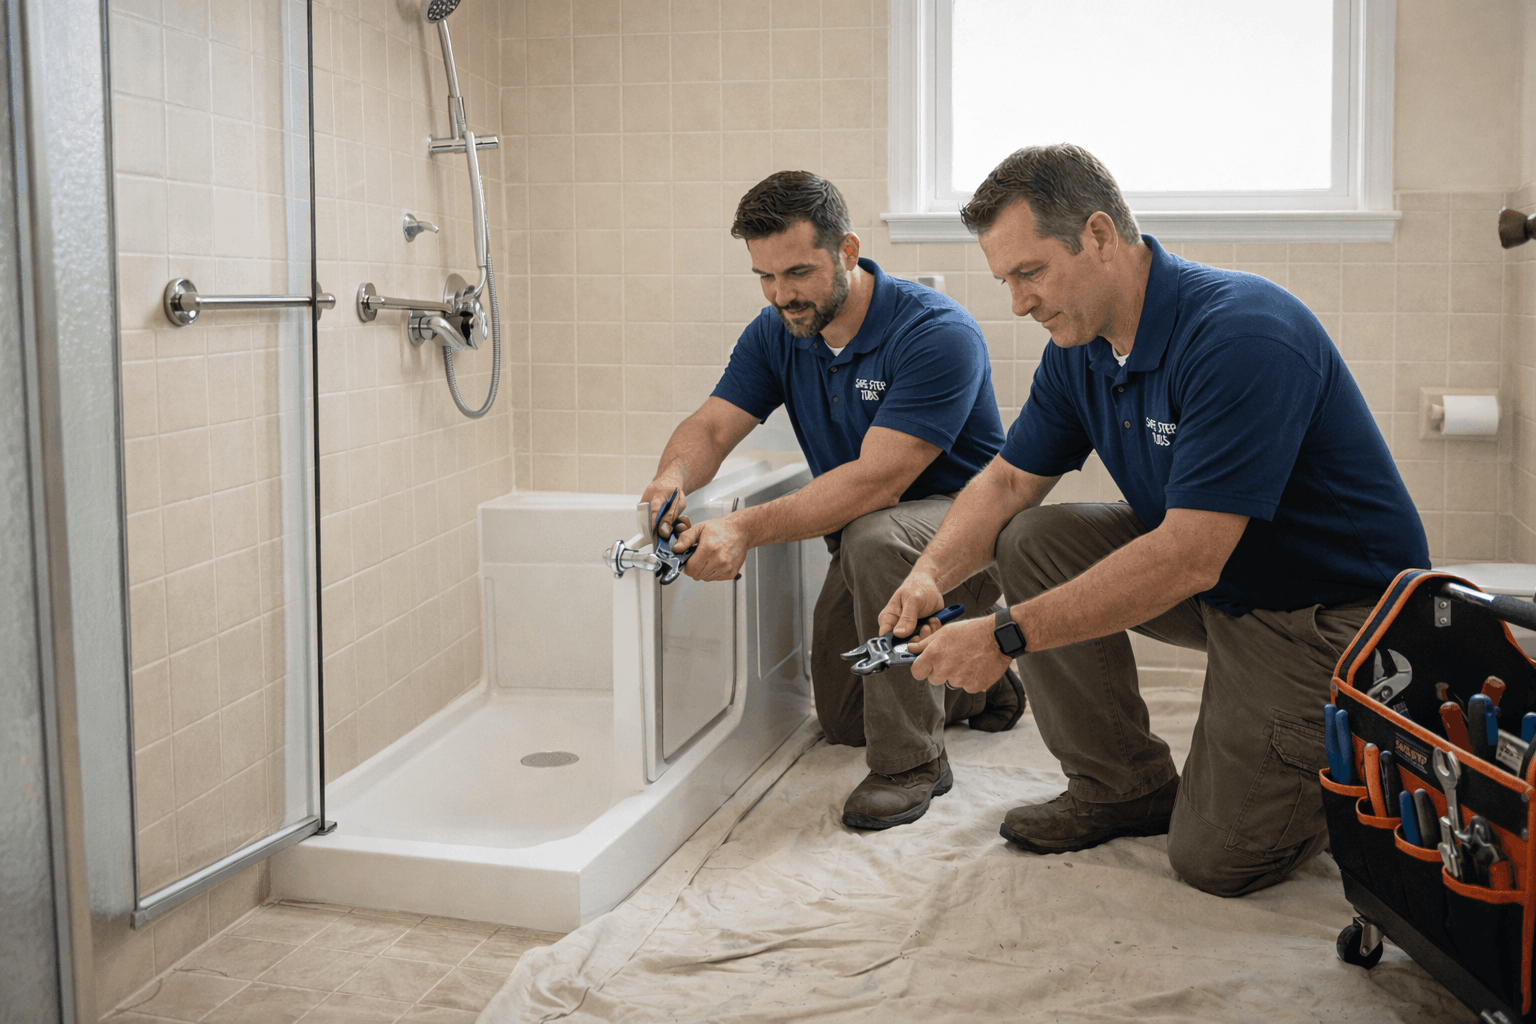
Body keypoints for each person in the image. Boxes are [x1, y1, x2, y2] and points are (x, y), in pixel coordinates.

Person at [879, 144, 1429, 896]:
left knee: (1217, 861)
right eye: (1006, 280)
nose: (1018, 303)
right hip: (1224, 584)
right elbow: (1009, 481)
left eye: (1030, 273)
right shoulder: (1082, 347)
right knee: (1033, 539)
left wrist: (1006, 635)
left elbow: (1186, 558)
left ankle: (1357, 744)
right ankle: (1121, 787)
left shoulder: (1243, 335)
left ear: (1099, 236)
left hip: (1328, 615)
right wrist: (927, 574)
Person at [641, 170, 1023, 831]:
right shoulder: (778, 333)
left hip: (966, 536)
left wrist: (743, 529)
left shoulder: (936, 333)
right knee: (846, 722)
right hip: (876, 543)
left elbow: (880, 482)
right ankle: (978, 683)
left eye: (797, 272)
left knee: (874, 532)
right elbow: (711, 426)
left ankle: (915, 763)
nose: (781, 295)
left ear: (846, 251)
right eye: (764, 277)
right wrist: (670, 477)